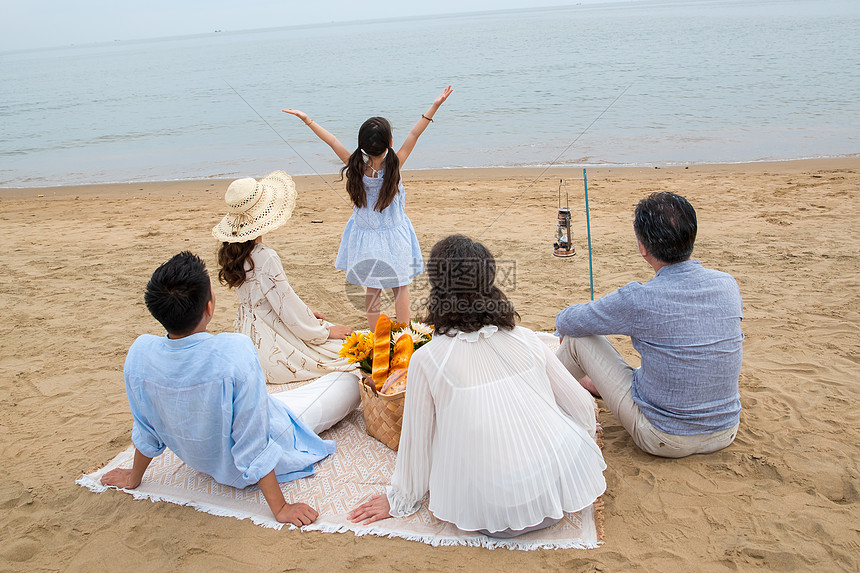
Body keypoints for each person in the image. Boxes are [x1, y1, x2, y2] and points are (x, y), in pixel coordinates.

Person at [347, 235, 606, 538]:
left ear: (437, 289)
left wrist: (400, 498)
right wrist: (576, 447)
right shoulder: (526, 338)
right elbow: (582, 406)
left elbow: (417, 443)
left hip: (487, 511)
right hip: (559, 492)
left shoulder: (429, 359)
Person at [100, 252, 360, 525]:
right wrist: (280, 507)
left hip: (203, 461)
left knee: (290, 398)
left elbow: (147, 427)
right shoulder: (233, 350)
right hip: (261, 449)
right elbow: (253, 438)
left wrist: (134, 477)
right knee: (349, 381)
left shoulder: (140, 353)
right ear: (209, 307)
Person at [555, 192, 743, 458]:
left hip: (664, 437)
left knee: (576, 337)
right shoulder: (727, 284)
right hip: (726, 430)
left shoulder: (640, 298)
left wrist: (566, 330)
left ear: (643, 248)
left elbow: (566, 321)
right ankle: (595, 383)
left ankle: (536, 401)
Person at [283, 85, 453, 330]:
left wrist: (307, 120)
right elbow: (416, 134)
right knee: (400, 287)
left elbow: (331, 140)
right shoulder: (395, 164)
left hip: (365, 239)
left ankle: (376, 337)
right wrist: (436, 104)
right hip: (396, 236)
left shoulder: (355, 166)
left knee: (372, 290)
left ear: (361, 145)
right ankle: (404, 334)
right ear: (390, 143)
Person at [212, 171, 357, 384]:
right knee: (346, 354)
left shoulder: (233, 255)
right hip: (271, 342)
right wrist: (325, 331)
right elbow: (286, 307)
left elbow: (271, 301)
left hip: (247, 336)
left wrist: (306, 313)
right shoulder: (264, 256)